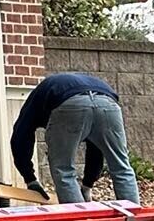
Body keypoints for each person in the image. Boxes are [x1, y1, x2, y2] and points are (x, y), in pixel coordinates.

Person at [9, 69, 141, 208]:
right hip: (108, 104)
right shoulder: (53, 90)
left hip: (68, 102)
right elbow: (97, 148)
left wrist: (30, 179)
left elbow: (20, 136)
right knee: (121, 167)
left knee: (64, 170)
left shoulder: (38, 97)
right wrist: (87, 185)